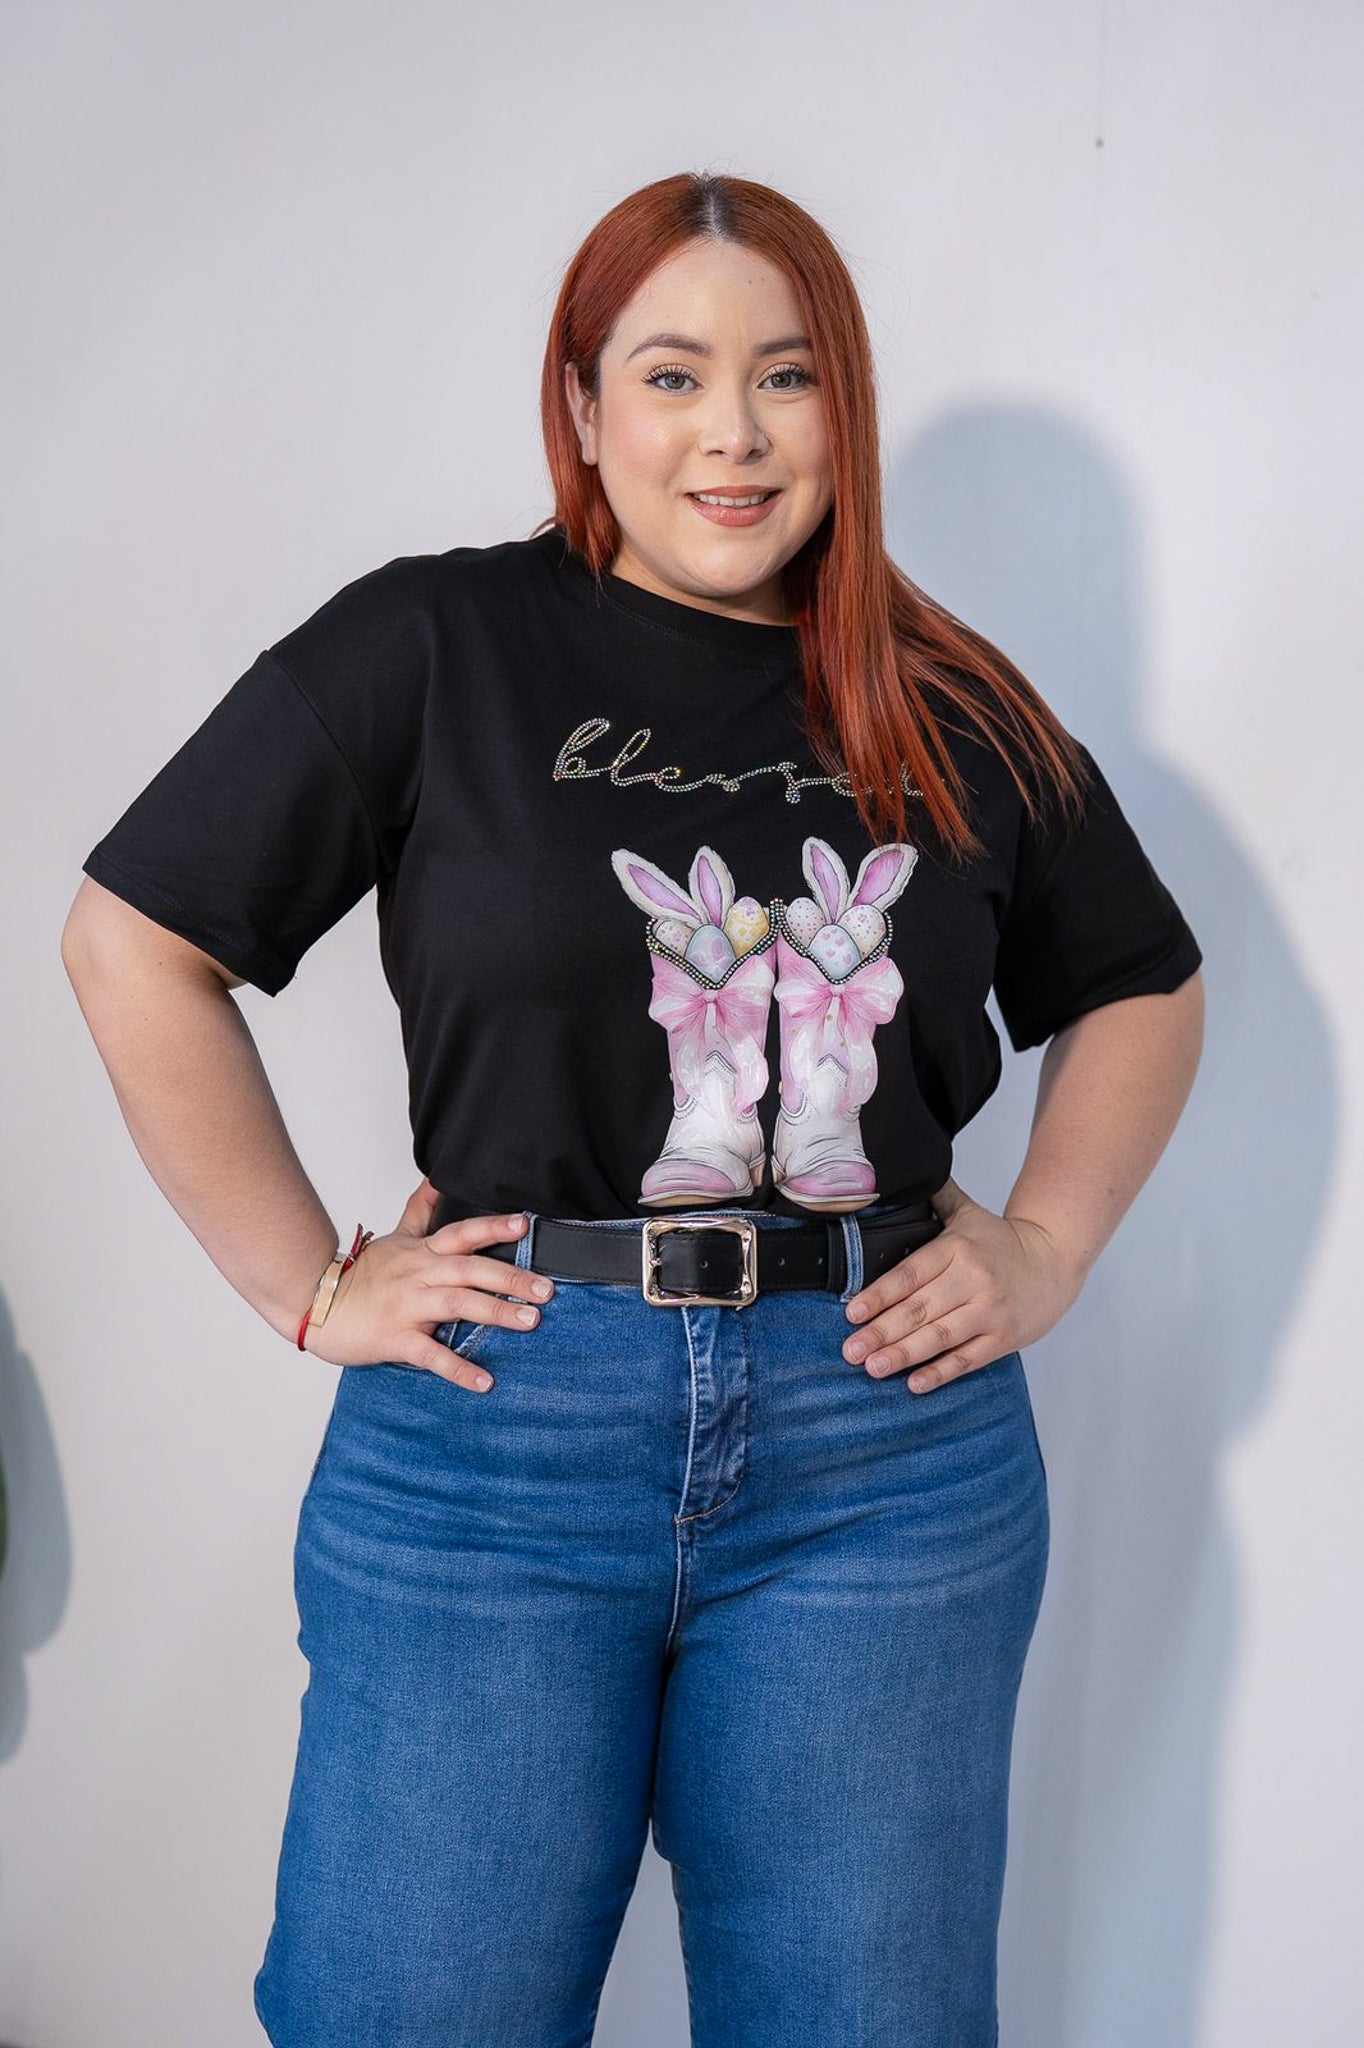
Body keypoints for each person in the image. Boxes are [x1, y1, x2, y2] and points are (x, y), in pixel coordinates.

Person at [61, 170, 1204, 2047]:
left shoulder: (947, 698)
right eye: (672, 376)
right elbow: (136, 939)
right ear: (584, 406)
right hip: (498, 1436)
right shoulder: (430, 647)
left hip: (887, 1458)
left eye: (786, 376)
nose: (732, 434)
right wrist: (308, 1284)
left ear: (843, 406)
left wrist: (1050, 1242)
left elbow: (1141, 982)